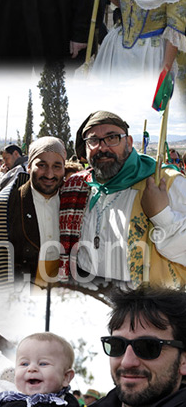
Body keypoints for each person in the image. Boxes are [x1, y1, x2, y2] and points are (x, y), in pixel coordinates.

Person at [58, 110, 186, 287]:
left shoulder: (167, 182)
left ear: (129, 142)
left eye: (112, 138)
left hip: (148, 306)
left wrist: (162, 216)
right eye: (93, 141)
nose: (102, 148)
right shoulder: (78, 187)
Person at [0, 136, 66, 284]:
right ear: (28, 167)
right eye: (41, 165)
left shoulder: (72, 204)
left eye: (57, 166)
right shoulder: (1, 208)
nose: (49, 174)